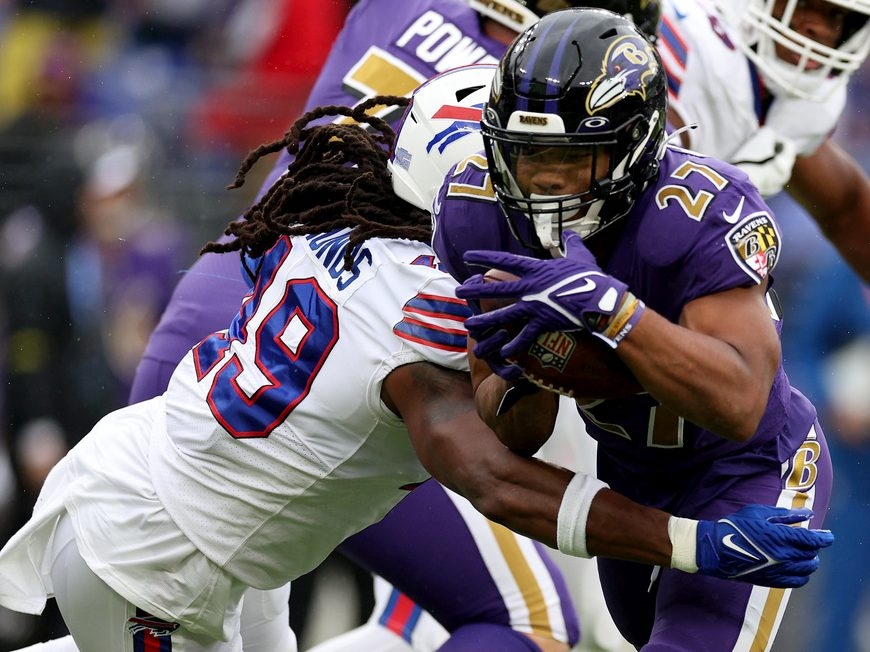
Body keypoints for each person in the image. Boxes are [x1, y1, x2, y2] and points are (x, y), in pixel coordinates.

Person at [0, 91, 833, 652]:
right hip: (164, 566)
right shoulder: (427, 314)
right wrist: (691, 541)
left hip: (144, 495)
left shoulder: (323, 227)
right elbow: (498, 481)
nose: (538, 195)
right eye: (513, 175)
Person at [428, 9, 835, 651]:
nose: (547, 180)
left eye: (577, 155)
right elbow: (516, 434)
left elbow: (741, 404)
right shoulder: (475, 214)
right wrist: (523, 365)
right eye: (528, 153)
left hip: (745, 468)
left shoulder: (698, 212)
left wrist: (616, 314)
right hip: (631, 473)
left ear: (634, 145)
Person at [658, 0, 870, 283]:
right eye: (805, 5)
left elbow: (846, 209)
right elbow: (649, 183)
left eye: (835, 14)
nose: (817, 27)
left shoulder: (791, 101)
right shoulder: (695, 47)